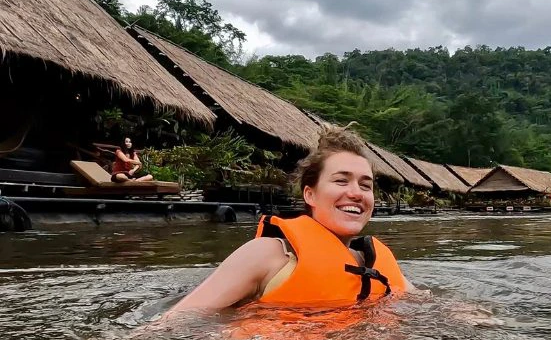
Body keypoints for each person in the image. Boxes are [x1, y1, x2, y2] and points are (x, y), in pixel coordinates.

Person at [166, 125, 414, 315]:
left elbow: (430, 305)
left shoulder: (376, 266)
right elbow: (178, 321)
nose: (356, 193)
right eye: (341, 180)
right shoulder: (267, 255)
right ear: (310, 194)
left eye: (365, 185)